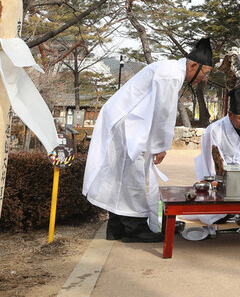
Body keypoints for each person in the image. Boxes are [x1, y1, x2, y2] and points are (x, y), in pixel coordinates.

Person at [83, 37, 214, 243]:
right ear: (193, 66)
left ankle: (117, 226)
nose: (203, 79)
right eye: (204, 73)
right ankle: (134, 227)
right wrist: (160, 146)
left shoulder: (171, 70)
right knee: (133, 176)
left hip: (126, 121)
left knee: (122, 175)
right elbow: (163, 112)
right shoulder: (171, 74)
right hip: (128, 124)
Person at [190, 85, 240, 234]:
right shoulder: (214, 131)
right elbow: (211, 165)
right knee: (218, 215)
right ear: (230, 114)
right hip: (222, 184)